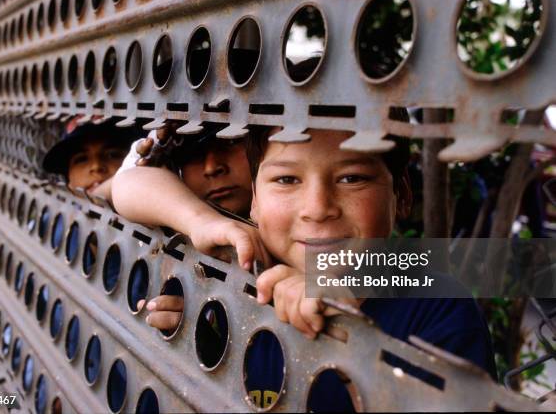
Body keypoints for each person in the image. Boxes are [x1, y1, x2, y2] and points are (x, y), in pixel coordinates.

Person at [242, 126, 496, 410]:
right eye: (286, 179)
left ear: (401, 194)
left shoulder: (441, 307)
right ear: (254, 198)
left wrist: (354, 350)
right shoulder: (237, 288)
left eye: (352, 178)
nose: (317, 208)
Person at [112, 122, 270, 331]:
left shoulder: (310, 238)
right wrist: (202, 222)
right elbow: (124, 184)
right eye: (191, 154)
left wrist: (311, 288)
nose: (212, 167)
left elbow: (325, 267)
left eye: (232, 141)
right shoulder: (184, 225)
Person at [42, 116, 140, 200]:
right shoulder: (52, 219)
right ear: (69, 181)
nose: (96, 166)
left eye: (112, 155)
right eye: (82, 159)